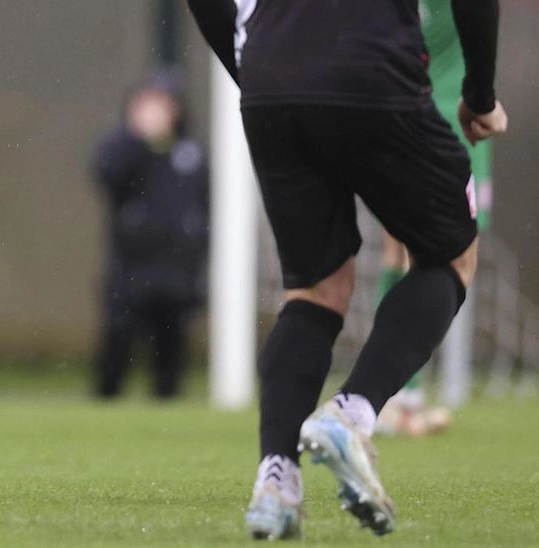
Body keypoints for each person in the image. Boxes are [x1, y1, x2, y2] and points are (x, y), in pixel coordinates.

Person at [188, 0, 506, 539]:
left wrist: (255, 71)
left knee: (316, 290)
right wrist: (479, 95)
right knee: (451, 254)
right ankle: (352, 413)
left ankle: (277, 480)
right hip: (372, 67)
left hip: (271, 80)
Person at [374, 0, 496, 438]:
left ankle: (393, 398)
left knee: (399, 251)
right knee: (449, 259)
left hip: (400, 115)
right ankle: (400, 398)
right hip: (456, 119)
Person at [92, 70, 210, 400]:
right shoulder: (123, 147)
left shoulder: (192, 152)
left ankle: (166, 409)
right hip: (130, 272)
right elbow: (105, 174)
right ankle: (104, 406)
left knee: (169, 357)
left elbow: (205, 205)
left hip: (177, 275)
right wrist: (137, 137)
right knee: (117, 346)